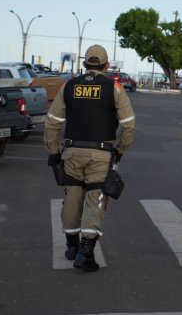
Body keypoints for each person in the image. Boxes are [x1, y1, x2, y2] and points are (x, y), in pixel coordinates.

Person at [44, 45, 136, 272]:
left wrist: (54, 152)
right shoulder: (114, 88)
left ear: (85, 64)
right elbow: (129, 125)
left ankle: (71, 248)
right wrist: (121, 150)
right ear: (106, 66)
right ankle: (85, 254)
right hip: (100, 153)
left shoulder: (69, 85)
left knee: (72, 197)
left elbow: (52, 122)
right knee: (95, 198)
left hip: (72, 151)